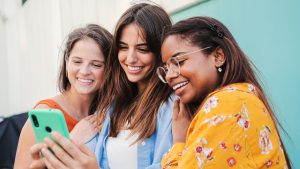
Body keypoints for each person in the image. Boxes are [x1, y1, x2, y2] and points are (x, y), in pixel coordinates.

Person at [27, 3, 174, 169]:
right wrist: (73, 139)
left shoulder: (172, 106)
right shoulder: (113, 106)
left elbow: (172, 165)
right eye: (123, 47)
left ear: (161, 50)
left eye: (143, 49)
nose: (130, 58)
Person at [157, 16, 291, 169]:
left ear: (218, 57)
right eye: (166, 69)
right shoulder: (240, 98)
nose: (169, 76)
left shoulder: (228, 104)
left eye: (179, 62)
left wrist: (179, 143)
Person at [14, 24, 113, 169]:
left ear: (109, 69)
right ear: (66, 63)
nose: (84, 71)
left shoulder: (109, 111)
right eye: (77, 62)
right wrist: (73, 139)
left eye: (96, 65)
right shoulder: (45, 114)